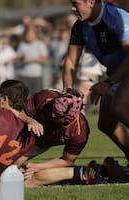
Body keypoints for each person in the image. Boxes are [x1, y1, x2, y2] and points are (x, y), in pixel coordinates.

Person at [62, 0, 129, 162]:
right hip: (117, 74)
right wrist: (68, 92)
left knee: (118, 108)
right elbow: (71, 62)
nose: (72, 9)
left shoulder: (118, 17)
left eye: (75, 3)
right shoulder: (80, 27)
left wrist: (109, 83)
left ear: (91, 2)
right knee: (105, 123)